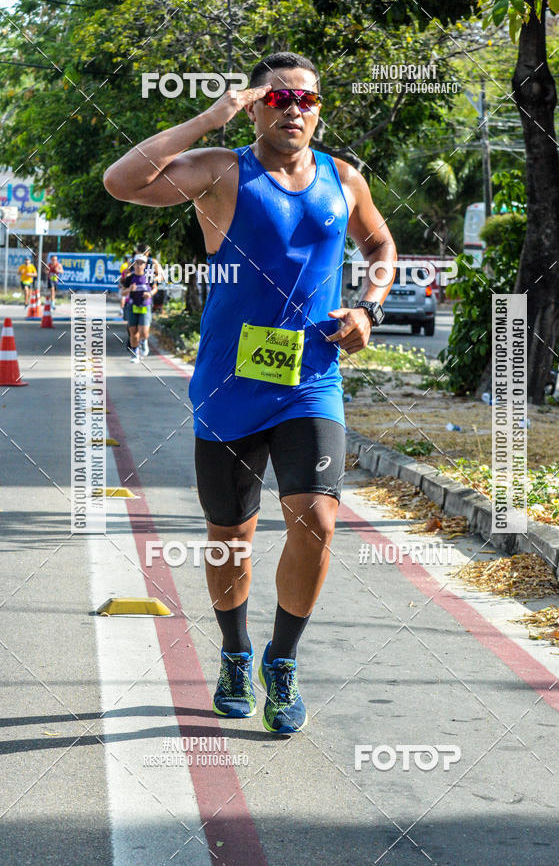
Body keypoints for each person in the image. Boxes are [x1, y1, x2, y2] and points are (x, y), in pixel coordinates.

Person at [103, 51, 396, 733]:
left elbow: (381, 244)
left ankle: (281, 661)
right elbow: (122, 180)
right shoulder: (220, 171)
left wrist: (368, 308)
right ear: (256, 105)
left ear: (320, 109)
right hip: (230, 386)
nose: (294, 109)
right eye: (277, 98)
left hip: (310, 382)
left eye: (307, 99)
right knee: (230, 536)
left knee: (316, 520)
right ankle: (235, 652)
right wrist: (211, 116)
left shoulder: (343, 179)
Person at [121, 252, 158, 361]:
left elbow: (155, 288)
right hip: (132, 306)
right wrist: (129, 289)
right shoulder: (129, 278)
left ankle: (144, 342)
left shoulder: (149, 277)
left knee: (143, 331)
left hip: (145, 306)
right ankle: (135, 353)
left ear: (145, 265)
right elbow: (123, 293)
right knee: (133, 331)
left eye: (142, 263)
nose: (139, 265)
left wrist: (150, 294)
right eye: (137, 263)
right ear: (134, 264)